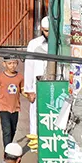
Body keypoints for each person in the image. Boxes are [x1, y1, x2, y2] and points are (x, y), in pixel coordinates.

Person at [25, 17, 50, 145]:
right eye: (46, 31)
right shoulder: (34, 44)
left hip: (54, 86)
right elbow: (29, 67)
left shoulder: (61, 44)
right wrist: (29, 90)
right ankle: (36, 144)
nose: (48, 34)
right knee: (36, 114)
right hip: (37, 87)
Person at [0, 56, 23, 149]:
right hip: (3, 107)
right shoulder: (0, 77)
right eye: (9, 63)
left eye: (14, 63)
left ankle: (9, 146)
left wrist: (30, 96)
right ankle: (7, 152)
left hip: (15, 108)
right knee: (7, 130)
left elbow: (22, 90)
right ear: (4, 64)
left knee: (13, 130)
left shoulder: (20, 77)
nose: (12, 66)